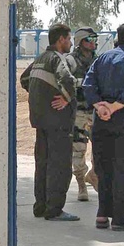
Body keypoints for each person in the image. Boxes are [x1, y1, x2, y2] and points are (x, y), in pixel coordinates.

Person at [83, 22, 124, 231]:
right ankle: (120, 219)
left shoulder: (102, 58)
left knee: (104, 168)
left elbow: (88, 84)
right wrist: (114, 107)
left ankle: (102, 214)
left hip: (101, 120)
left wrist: (100, 107)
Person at [20, 23, 79, 221]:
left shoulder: (39, 59)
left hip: (41, 122)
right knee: (59, 166)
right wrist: (66, 98)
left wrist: (42, 97)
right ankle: (54, 210)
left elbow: (24, 79)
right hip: (58, 123)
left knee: (42, 164)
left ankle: (41, 206)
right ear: (61, 40)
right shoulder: (57, 59)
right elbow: (68, 80)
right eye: (69, 39)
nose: (70, 43)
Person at [66, 26, 100, 201]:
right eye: (90, 39)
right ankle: (81, 185)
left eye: (95, 39)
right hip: (78, 112)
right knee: (78, 150)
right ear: (80, 42)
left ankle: (93, 175)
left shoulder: (99, 60)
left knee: (100, 149)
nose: (94, 43)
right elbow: (64, 83)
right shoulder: (70, 61)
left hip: (95, 112)